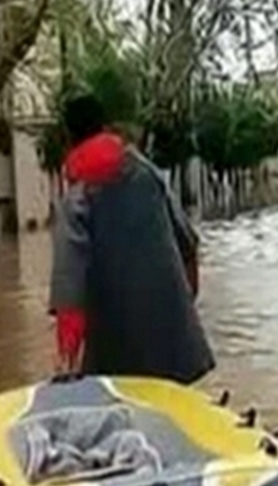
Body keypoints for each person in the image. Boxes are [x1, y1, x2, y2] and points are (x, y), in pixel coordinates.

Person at [49, 94, 215, 384]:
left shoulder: (76, 199)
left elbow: (69, 289)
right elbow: (188, 240)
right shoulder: (147, 172)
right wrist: (185, 303)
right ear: (106, 127)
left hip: (118, 353)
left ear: (68, 138)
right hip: (175, 340)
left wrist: (66, 367)